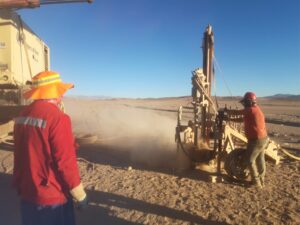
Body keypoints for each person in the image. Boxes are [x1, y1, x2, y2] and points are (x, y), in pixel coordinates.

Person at [13, 71, 88, 225]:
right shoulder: (59, 118)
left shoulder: (22, 114)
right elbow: (65, 162)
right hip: (51, 195)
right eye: (60, 92)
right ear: (54, 93)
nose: (62, 96)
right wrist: (79, 195)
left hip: (27, 192)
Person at [226, 92, 268, 188]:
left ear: (249, 102)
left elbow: (238, 113)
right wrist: (230, 119)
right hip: (263, 139)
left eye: (245, 102)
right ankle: (261, 180)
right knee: (260, 159)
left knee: (249, 160)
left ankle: (256, 182)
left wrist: (227, 111)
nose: (244, 104)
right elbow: (242, 119)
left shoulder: (251, 110)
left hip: (256, 140)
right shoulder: (255, 110)